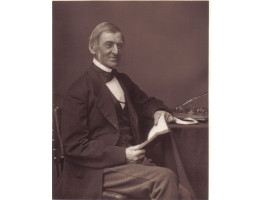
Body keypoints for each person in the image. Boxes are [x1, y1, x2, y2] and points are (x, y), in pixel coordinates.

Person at [58, 22, 188, 200]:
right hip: (95, 171)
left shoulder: (123, 80)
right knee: (166, 179)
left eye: (119, 45)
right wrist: (122, 154)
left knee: (184, 193)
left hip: (127, 163)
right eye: (109, 45)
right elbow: (74, 146)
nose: (116, 51)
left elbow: (147, 102)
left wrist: (157, 111)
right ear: (92, 47)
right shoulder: (78, 90)